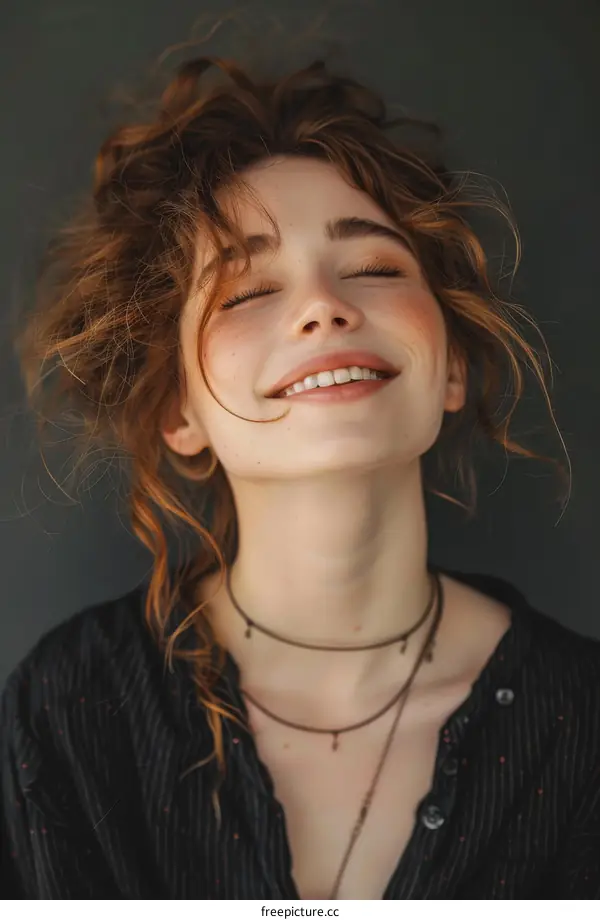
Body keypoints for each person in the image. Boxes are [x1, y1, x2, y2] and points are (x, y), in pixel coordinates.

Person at [1, 50, 599, 901]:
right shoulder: (68, 710)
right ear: (179, 412)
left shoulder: (583, 723)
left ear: (452, 369)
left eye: (376, 269)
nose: (324, 304)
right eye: (245, 291)